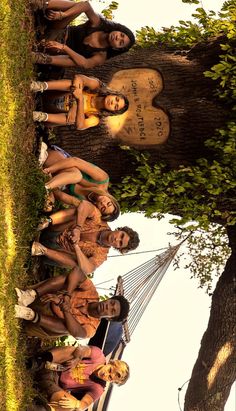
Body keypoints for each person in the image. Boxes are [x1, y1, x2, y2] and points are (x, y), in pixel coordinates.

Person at [15, 266, 130, 339]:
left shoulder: (92, 327)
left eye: (112, 311)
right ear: (109, 299)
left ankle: (28, 314)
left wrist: (64, 307)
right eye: (112, 303)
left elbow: (78, 333)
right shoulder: (92, 293)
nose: (108, 307)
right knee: (68, 279)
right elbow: (77, 271)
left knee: (70, 328)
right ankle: (29, 295)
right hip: (44, 298)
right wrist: (68, 295)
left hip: (43, 323)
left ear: (109, 318)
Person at [32, 200, 140, 273]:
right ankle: (44, 222)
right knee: (79, 212)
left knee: (80, 264)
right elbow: (85, 205)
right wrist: (78, 228)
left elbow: (88, 269)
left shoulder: (101, 255)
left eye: (120, 243)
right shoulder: (100, 221)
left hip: (54, 249)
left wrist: (76, 247)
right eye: (121, 235)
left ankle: (40, 250)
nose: (117, 239)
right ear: (120, 230)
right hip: (55, 227)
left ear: (118, 248)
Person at [31, 0, 135, 68]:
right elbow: (86, 5)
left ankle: (41, 58)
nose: (117, 37)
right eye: (121, 35)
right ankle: (41, 3)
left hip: (53, 47)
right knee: (76, 6)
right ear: (119, 29)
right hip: (56, 28)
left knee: (77, 61)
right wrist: (63, 15)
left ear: (116, 49)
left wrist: (64, 47)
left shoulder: (101, 55)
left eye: (120, 42)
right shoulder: (99, 24)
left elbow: (85, 64)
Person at [26, 344, 129, 411]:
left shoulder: (99, 388)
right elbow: (82, 349)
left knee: (72, 406)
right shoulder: (98, 356)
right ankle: (37, 361)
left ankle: (42, 409)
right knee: (73, 350)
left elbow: (85, 403)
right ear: (111, 363)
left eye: (110, 378)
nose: (106, 375)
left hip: (52, 384)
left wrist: (76, 403)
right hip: (51, 363)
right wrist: (78, 357)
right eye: (110, 370)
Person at [39, 144, 120, 221]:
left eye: (103, 208)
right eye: (108, 203)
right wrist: (49, 170)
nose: (103, 203)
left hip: (54, 181)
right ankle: (45, 185)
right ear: (112, 199)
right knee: (77, 176)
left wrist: (52, 183)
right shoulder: (102, 179)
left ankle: (46, 184)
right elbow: (75, 161)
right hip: (59, 163)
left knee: (48, 207)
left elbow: (60, 195)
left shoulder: (87, 203)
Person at [31, 74, 129, 129]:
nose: (113, 102)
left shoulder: (95, 117)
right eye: (116, 99)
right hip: (51, 92)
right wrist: (76, 98)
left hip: (52, 112)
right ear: (113, 94)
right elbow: (79, 77)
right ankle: (39, 86)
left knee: (73, 119)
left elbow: (80, 126)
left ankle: (39, 116)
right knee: (72, 85)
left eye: (115, 106)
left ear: (112, 112)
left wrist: (79, 100)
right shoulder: (97, 87)